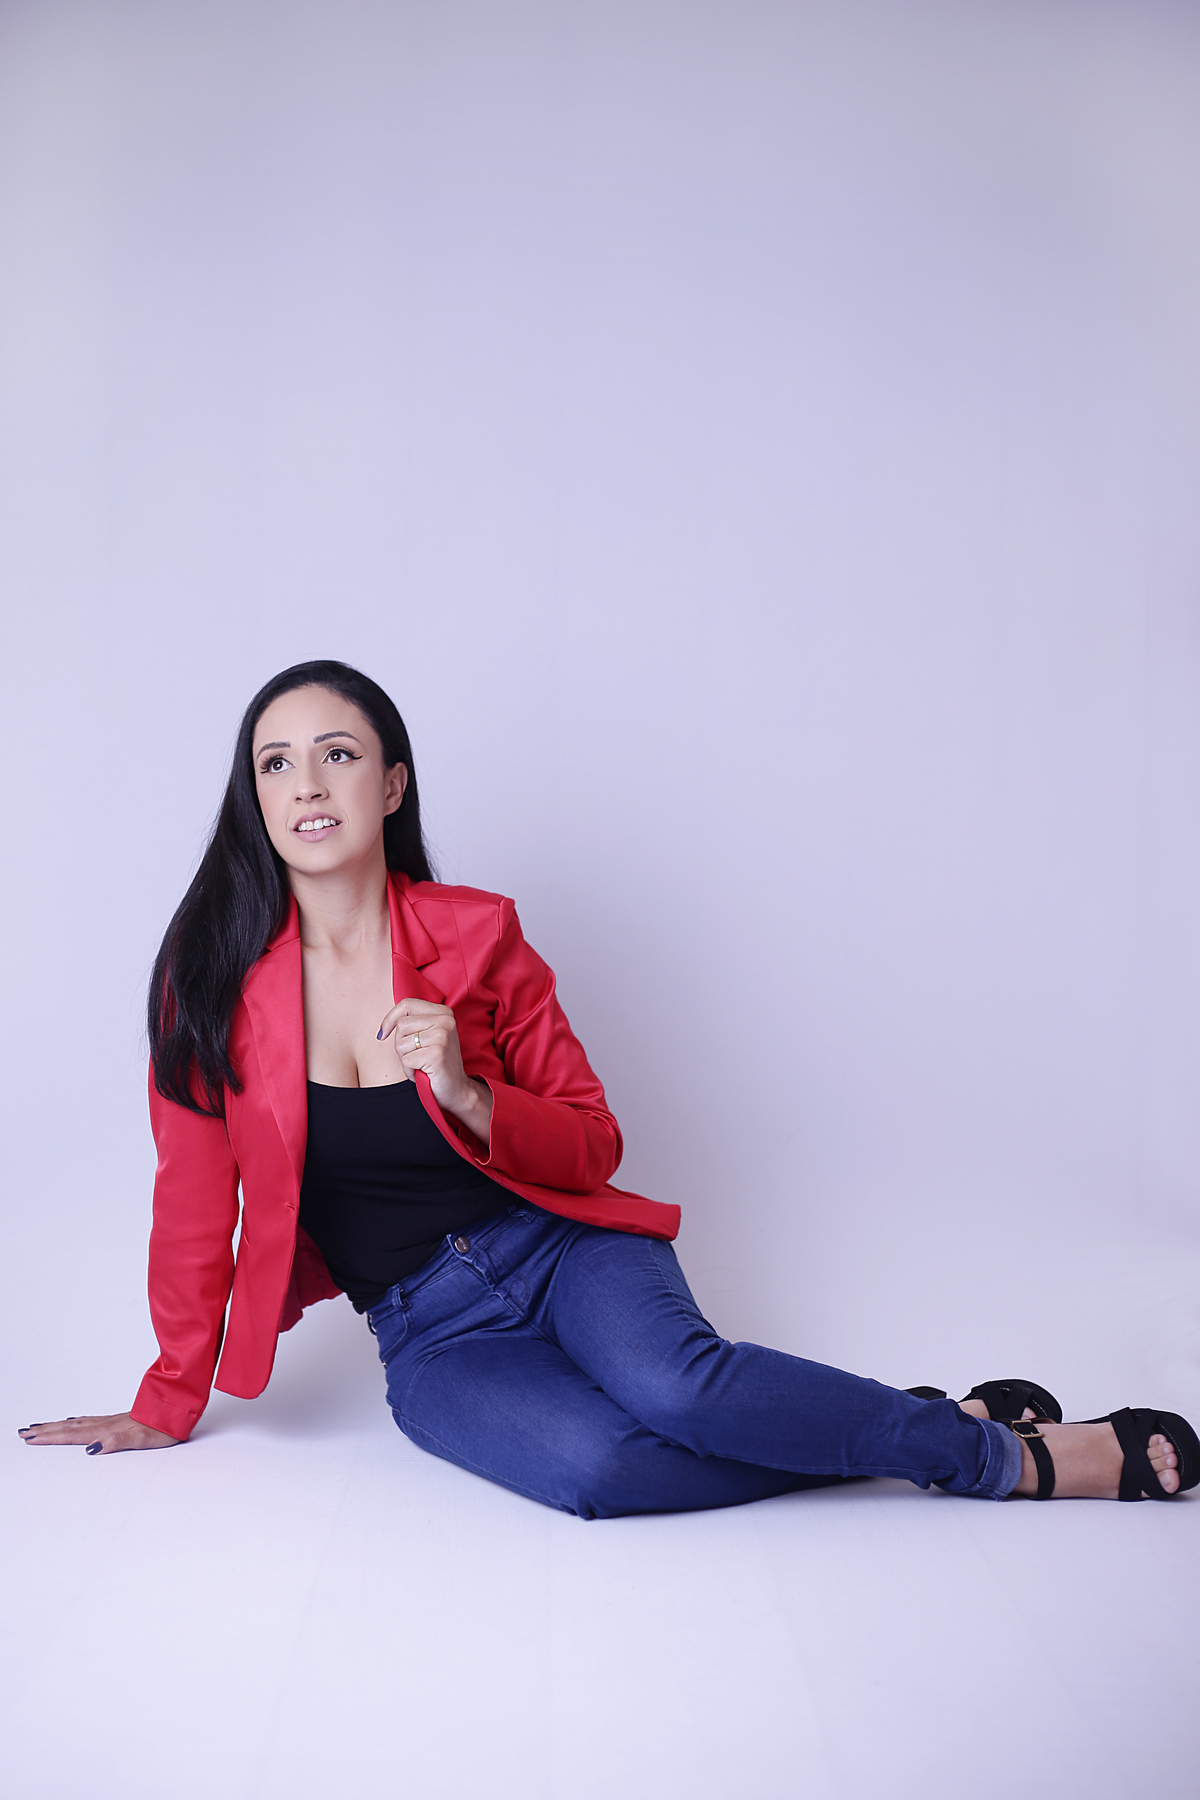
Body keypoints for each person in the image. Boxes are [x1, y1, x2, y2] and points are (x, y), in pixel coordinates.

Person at [18, 660, 1197, 1514]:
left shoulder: (477, 936)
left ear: (392, 785)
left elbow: (593, 1142)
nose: (306, 781)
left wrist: (468, 1093)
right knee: (602, 1471)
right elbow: (193, 1207)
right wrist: (167, 1398)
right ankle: (924, 1422)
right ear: (256, 798)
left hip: (560, 1245)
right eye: (276, 761)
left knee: (681, 1392)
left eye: (339, 752)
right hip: (428, 1332)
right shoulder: (209, 984)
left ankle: (1018, 1461)